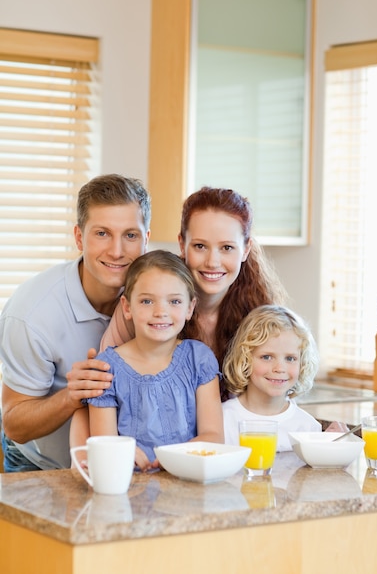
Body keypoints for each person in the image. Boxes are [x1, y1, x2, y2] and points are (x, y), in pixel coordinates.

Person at [0, 174, 151, 471]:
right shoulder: (31, 315)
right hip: (42, 463)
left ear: (146, 239)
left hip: (127, 465)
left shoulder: (159, 298)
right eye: (102, 233)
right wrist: (72, 396)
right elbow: (14, 424)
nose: (117, 251)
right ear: (79, 237)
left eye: (130, 235)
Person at [101, 187, 287, 397]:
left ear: (245, 249)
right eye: (200, 246)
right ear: (182, 244)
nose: (212, 262)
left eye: (226, 248)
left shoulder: (260, 314)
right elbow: (101, 386)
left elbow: (278, 395)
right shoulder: (145, 302)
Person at [83, 250, 224, 471]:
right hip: (130, 488)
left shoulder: (199, 359)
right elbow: (103, 446)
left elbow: (214, 436)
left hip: (187, 481)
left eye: (174, 301)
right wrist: (122, 453)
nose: (160, 312)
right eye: (147, 301)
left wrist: (173, 458)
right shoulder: (106, 369)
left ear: (190, 308)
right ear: (127, 307)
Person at [221, 304, 322, 452]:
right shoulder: (222, 419)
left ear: (303, 363)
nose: (279, 368)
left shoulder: (308, 427)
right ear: (244, 359)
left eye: (290, 358)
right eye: (267, 357)